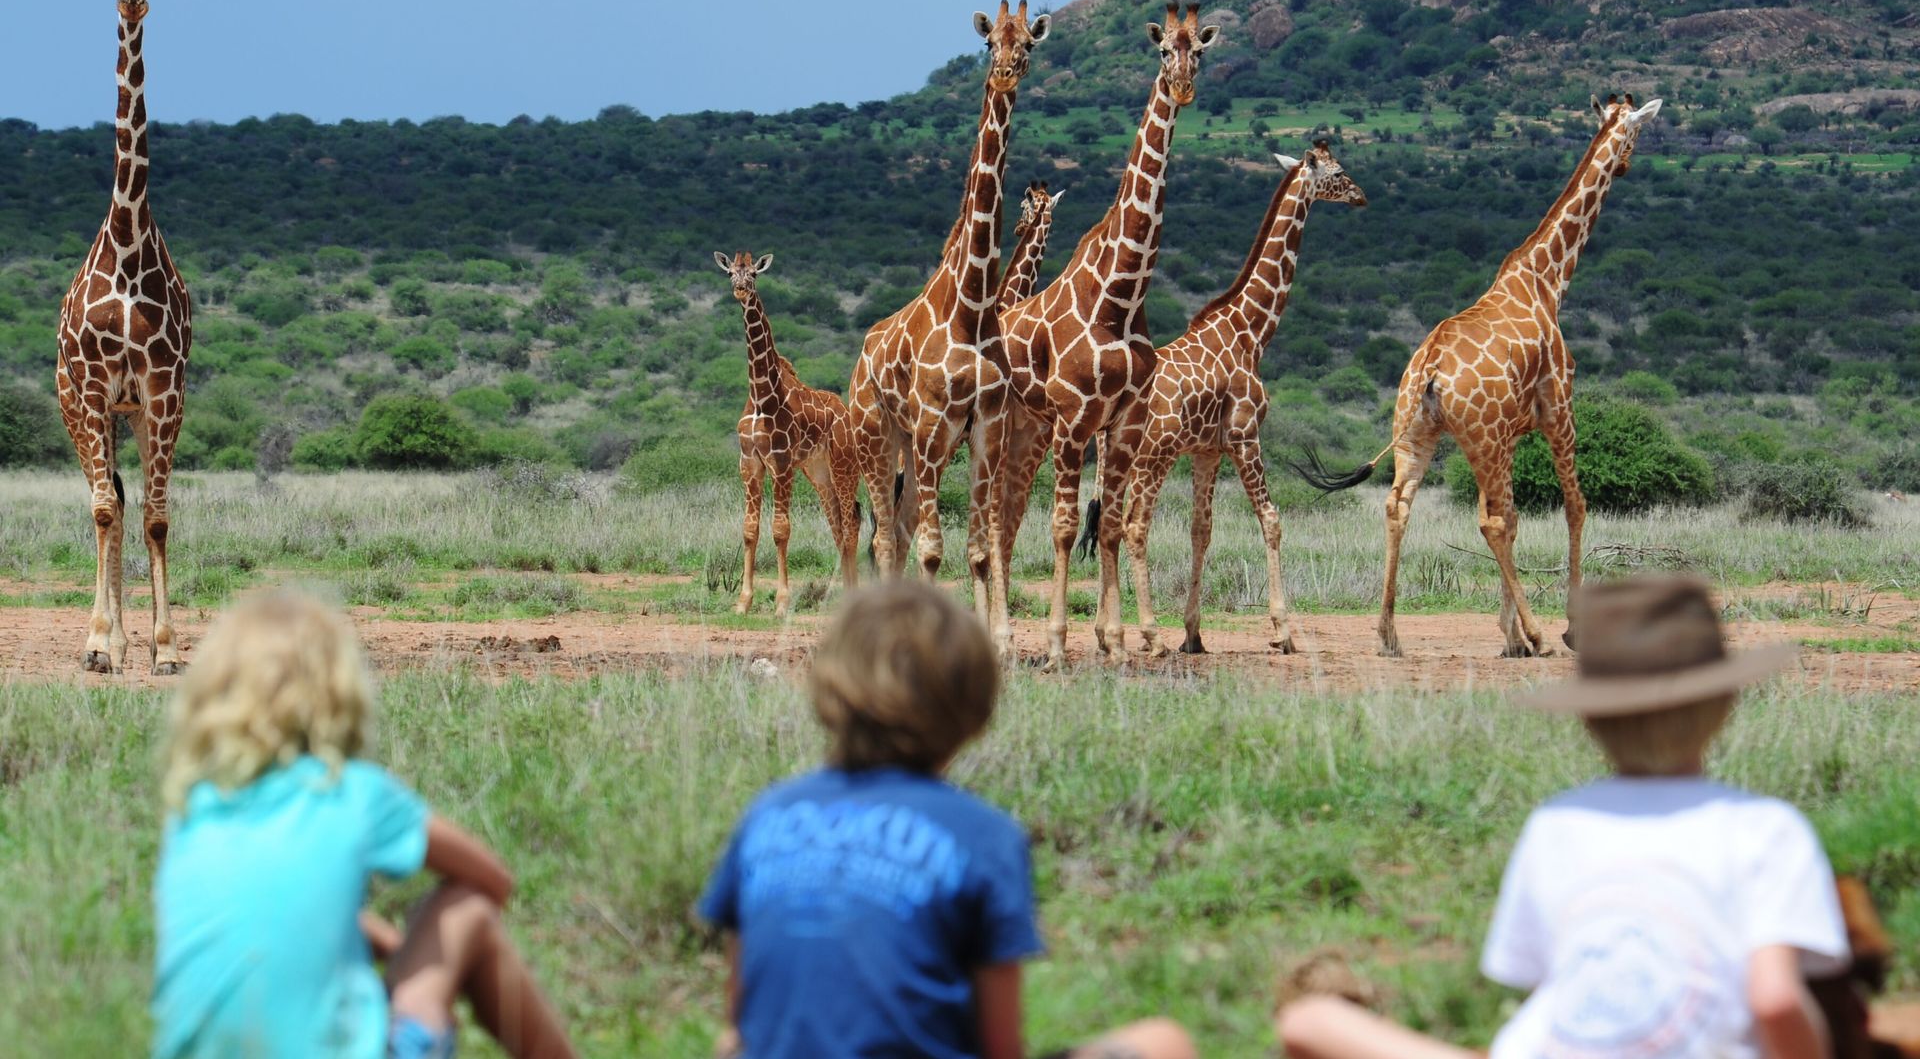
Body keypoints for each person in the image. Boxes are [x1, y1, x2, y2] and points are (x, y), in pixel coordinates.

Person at [1279, 575, 1849, 1059]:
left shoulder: (1557, 823)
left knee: (1310, 1023)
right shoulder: (1766, 828)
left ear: (1590, 719)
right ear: (1725, 704)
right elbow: (1774, 1001)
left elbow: (1546, 980)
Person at [699, 581, 1195, 1059]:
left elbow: (739, 1025)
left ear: (827, 687)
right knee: (1164, 1042)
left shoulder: (767, 816)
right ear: (973, 709)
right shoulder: (985, 836)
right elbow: (1000, 1048)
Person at [151, 590, 576, 1059]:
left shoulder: (189, 810)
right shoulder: (351, 790)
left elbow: (278, 902)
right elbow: (494, 880)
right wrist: (414, 948)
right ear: (338, 690)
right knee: (469, 909)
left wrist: (376, 937)